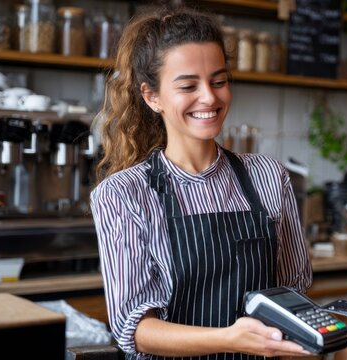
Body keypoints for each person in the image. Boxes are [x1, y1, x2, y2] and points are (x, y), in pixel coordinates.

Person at [89, 6, 312, 360]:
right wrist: (230, 338)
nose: (209, 97)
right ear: (152, 97)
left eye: (219, 81)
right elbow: (137, 330)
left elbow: (293, 292)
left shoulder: (269, 176)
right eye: (188, 85)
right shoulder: (124, 193)